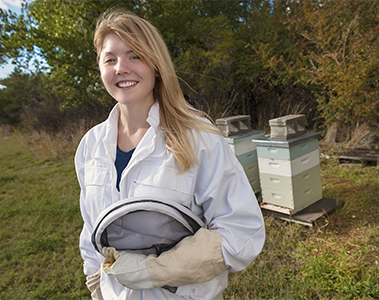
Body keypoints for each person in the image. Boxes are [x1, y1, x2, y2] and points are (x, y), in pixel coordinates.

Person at [75, 8, 265, 300]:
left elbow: (241, 232)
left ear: (156, 64)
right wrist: (96, 285)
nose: (121, 67)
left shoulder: (199, 136)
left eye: (134, 55)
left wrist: (156, 269)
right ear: (100, 69)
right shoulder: (90, 146)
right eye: (110, 59)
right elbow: (92, 230)